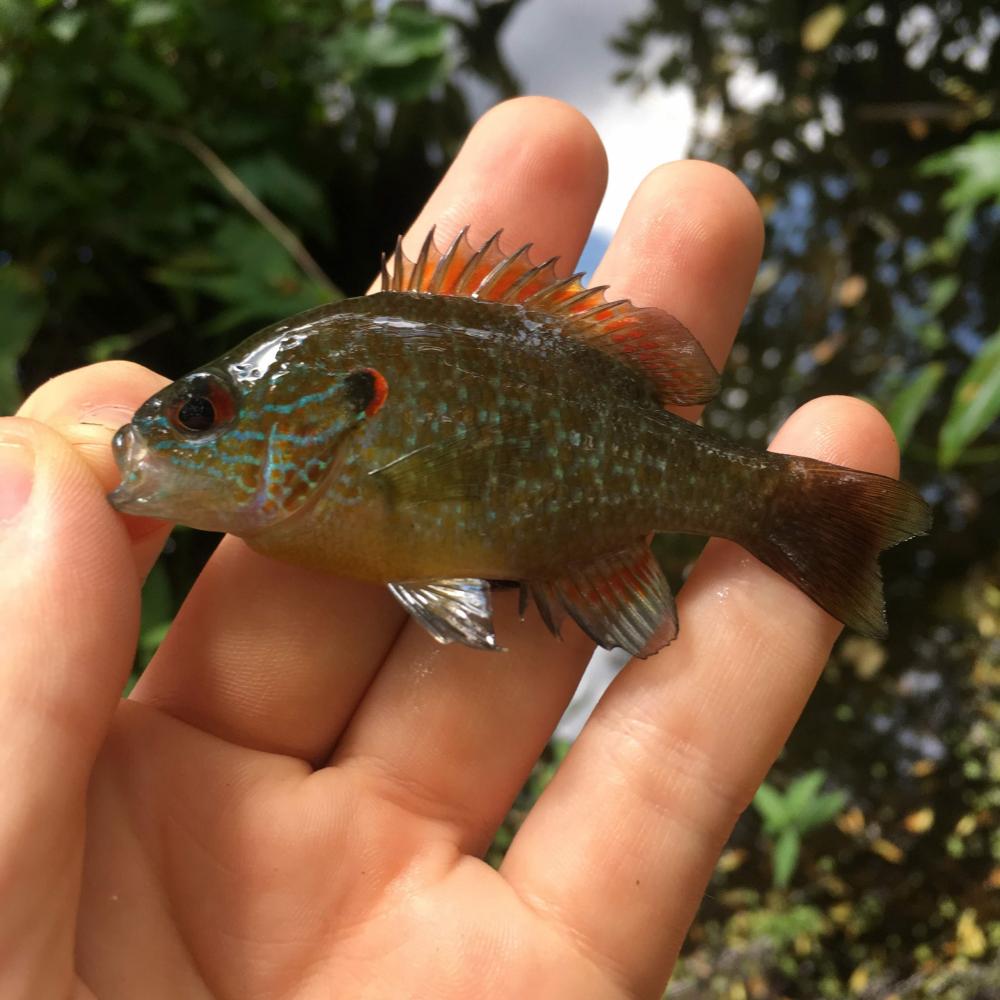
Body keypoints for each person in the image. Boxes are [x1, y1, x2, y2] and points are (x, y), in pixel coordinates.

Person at [0, 98, 901, 998]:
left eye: (205, 414)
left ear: (347, 405)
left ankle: (802, 516)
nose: (178, 436)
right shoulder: (323, 424)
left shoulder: (342, 396)